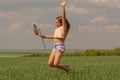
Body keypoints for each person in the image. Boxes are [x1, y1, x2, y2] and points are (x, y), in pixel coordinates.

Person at [34, 0, 70, 73]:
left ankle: (67, 70)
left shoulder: (64, 28)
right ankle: (65, 67)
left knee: (56, 63)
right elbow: (54, 36)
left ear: (61, 22)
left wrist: (63, 7)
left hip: (60, 46)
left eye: (56, 22)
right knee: (50, 64)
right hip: (55, 47)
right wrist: (45, 36)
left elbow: (63, 17)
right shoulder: (57, 29)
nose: (55, 23)